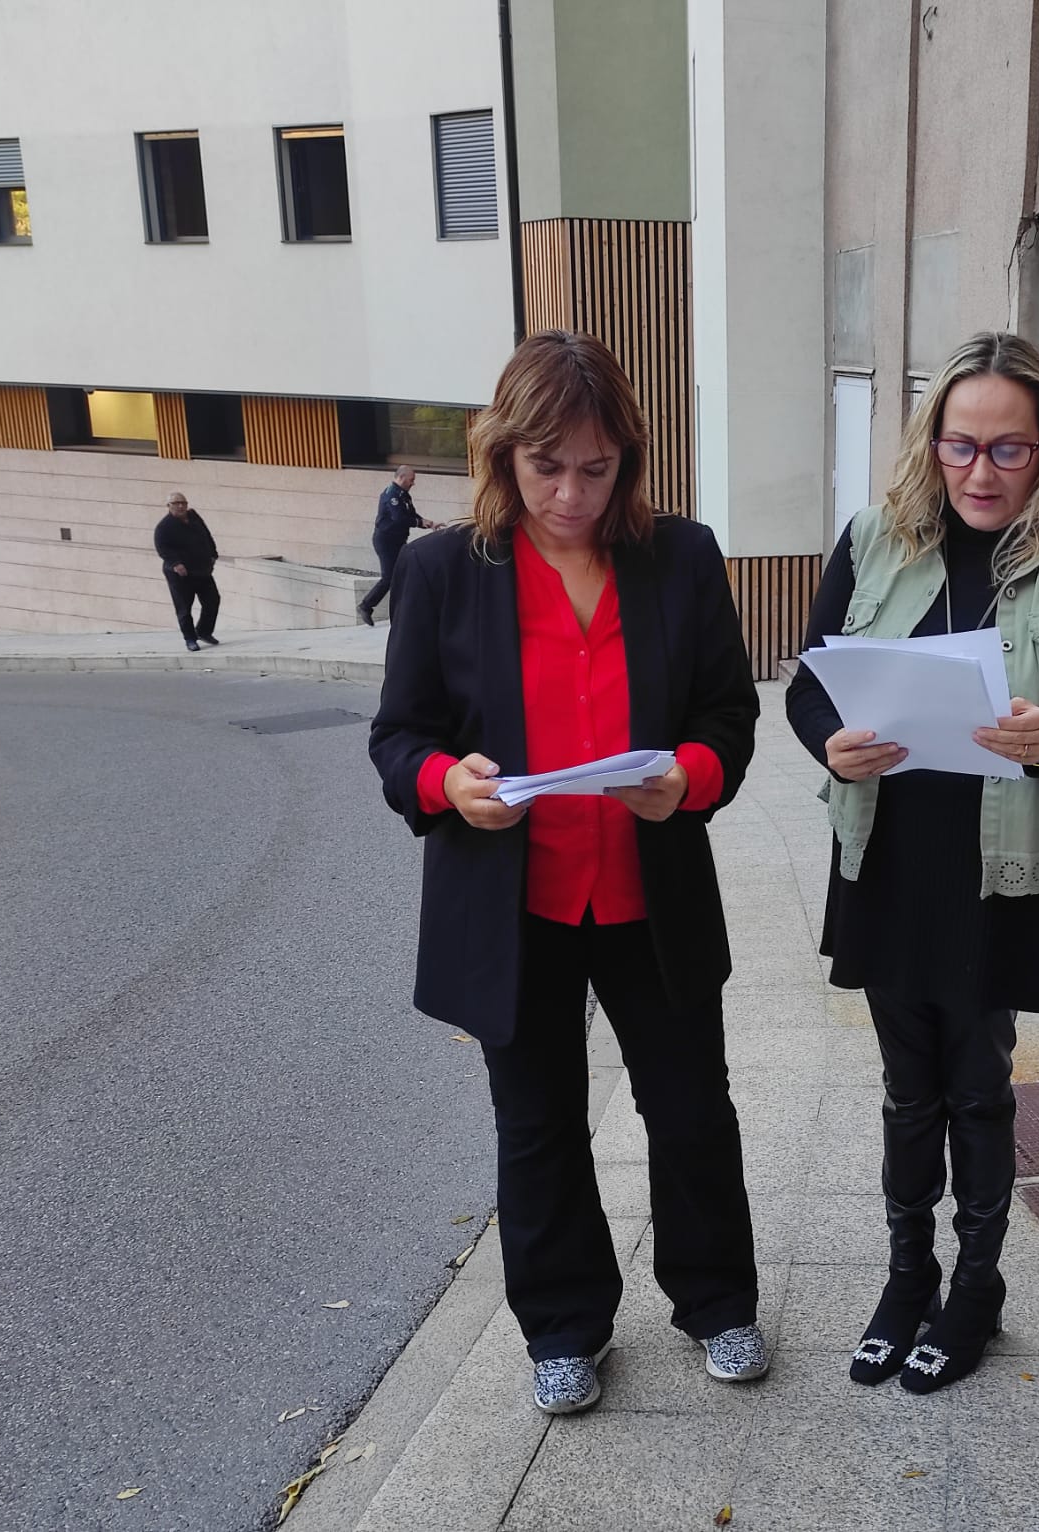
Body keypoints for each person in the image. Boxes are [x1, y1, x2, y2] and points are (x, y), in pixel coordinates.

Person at [368, 331, 765, 1416]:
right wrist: (447, 782)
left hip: (649, 896)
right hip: (517, 907)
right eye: (547, 467)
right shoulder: (443, 572)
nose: (571, 494)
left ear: (626, 457)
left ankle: (717, 1300)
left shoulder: (680, 557)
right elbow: (400, 737)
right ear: (503, 453)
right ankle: (562, 1326)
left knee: (691, 1108)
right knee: (538, 1124)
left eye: (596, 468)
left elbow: (727, 714)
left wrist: (688, 775)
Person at [786, 331, 1039, 1394]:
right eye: (959, 445)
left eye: (1007, 450)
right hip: (887, 854)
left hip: (1002, 869)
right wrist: (827, 740)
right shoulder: (874, 538)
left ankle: (976, 1294)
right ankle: (908, 1280)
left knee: (978, 1087)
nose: (980, 472)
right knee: (907, 1091)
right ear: (930, 441)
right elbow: (808, 686)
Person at [357, 465, 440, 625]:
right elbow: (399, 518)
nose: (413, 483)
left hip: (398, 541)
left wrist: (427, 523)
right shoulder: (392, 495)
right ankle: (366, 606)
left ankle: (408, 610)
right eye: (411, 480)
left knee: (406, 572)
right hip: (386, 542)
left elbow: (411, 514)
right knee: (389, 577)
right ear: (401, 478)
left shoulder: (403, 495)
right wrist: (419, 522)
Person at [153, 492, 220, 651]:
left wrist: (213, 554)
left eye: (183, 503)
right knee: (184, 608)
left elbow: (207, 536)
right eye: (176, 503)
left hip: (202, 570)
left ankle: (203, 631)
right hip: (180, 574)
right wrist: (176, 563)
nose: (181, 506)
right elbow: (162, 548)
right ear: (169, 506)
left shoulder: (194, 517)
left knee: (212, 600)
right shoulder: (164, 527)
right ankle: (190, 639)